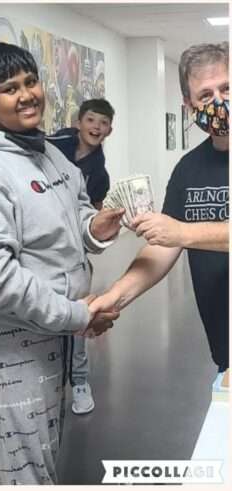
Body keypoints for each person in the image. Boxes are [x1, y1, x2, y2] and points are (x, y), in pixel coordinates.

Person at [0, 41, 124, 485]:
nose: (27, 95)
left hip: (50, 329)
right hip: (5, 343)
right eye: (9, 89)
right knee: (25, 466)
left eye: (30, 81)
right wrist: (78, 315)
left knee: (34, 457)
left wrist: (94, 227)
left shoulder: (49, 153)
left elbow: (70, 213)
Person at [92, 42, 229, 374]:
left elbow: (178, 233)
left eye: (227, 88)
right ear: (189, 105)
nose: (220, 103)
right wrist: (114, 297)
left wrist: (182, 231)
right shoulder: (188, 168)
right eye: (206, 96)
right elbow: (162, 248)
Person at [48, 97, 116, 415]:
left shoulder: (99, 175)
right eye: (91, 120)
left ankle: (79, 382)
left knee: (78, 320)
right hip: (39, 249)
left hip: (73, 255)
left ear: (109, 130)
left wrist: (100, 232)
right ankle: (47, 385)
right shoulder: (52, 144)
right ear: (79, 122)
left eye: (103, 123)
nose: (96, 127)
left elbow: (94, 221)